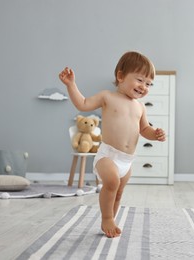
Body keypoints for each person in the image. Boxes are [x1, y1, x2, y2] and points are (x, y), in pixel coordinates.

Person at [59, 51, 166, 238]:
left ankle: (112, 220)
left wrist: (155, 134)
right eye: (140, 80)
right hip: (108, 156)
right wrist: (71, 85)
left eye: (149, 83)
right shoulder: (107, 97)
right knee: (112, 183)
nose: (144, 87)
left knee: (118, 193)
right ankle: (106, 218)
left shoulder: (140, 107)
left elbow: (144, 129)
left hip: (127, 161)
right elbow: (83, 104)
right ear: (120, 76)